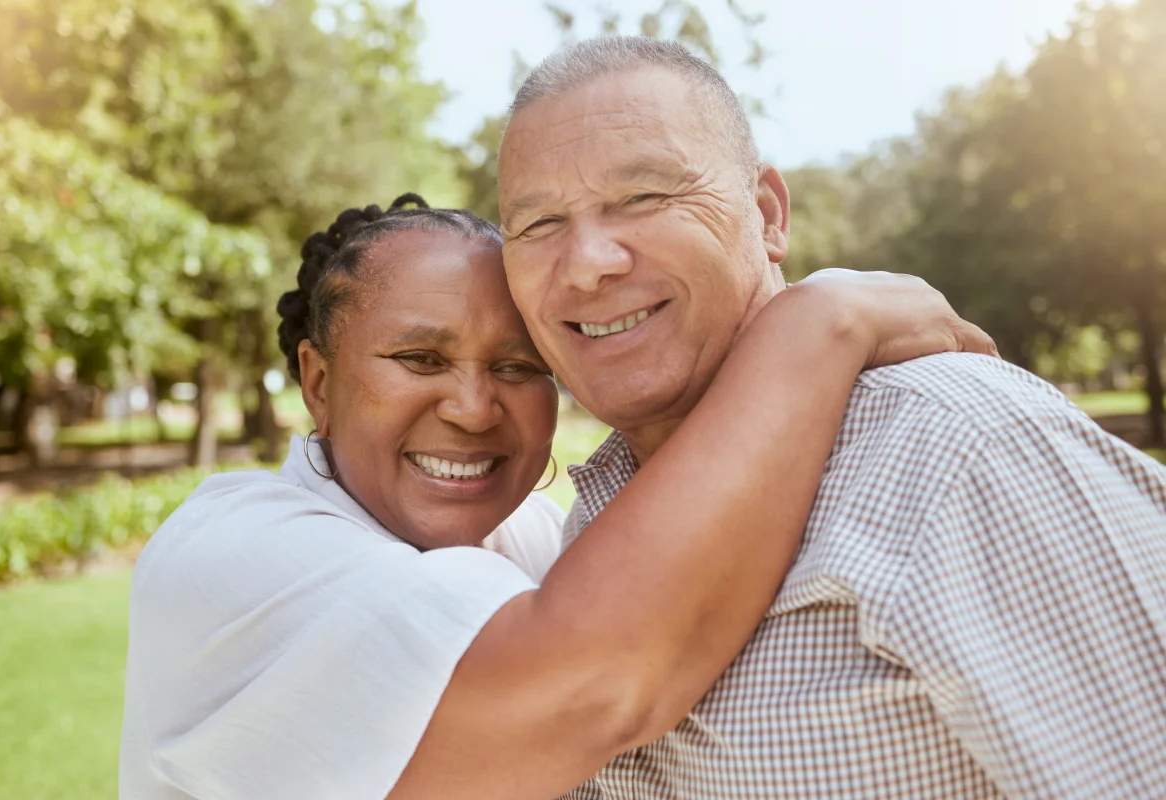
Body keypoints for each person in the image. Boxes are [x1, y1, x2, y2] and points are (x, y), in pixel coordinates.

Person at [118, 195, 991, 799]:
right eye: (420, 360)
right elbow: (595, 679)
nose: (471, 407)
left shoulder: (536, 539)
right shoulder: (231, 554)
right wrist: (816, 324)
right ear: (317, 382)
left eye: (519, 367)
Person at [497, 36, 1166, 799]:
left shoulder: (964, 446)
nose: (587, 262)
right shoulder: (584, 523)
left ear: (767, 213)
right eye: (539, 224)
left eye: (644, 197)